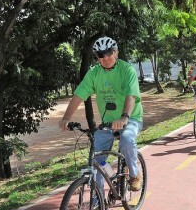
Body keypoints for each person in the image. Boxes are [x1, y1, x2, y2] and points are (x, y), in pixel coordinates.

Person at [58, 36, 144, 191]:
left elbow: (130, 96)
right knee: (97, 160)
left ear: (116, 52)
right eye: (100, 55)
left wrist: (125, 117)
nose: (105, 58)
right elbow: (78, 96)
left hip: (131, 119)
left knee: (126, 139)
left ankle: (133, 174)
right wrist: (66, 118)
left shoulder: (127, 70)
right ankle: (97, 205)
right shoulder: (94, 73)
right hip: (108, 123)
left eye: (108, 53)